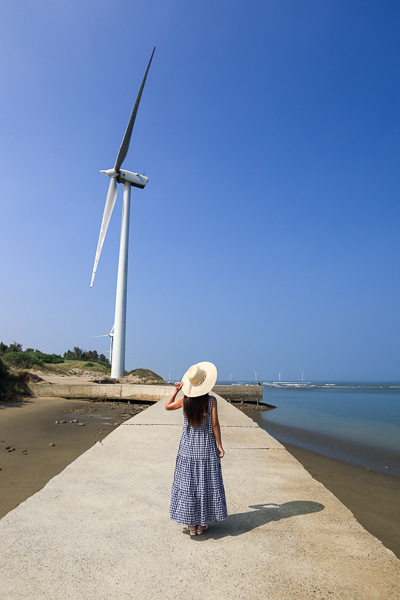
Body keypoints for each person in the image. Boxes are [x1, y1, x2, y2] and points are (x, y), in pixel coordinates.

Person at [166, 361, 227, 536]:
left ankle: (191, 525)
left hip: (187, 449)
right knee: (205, 483)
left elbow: (167, 406)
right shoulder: (211, 401)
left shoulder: (185, 400)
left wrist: (176, 390)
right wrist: (219, 445)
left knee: (189, 484)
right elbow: (215, 424)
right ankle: (201, 525)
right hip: (206, 448)